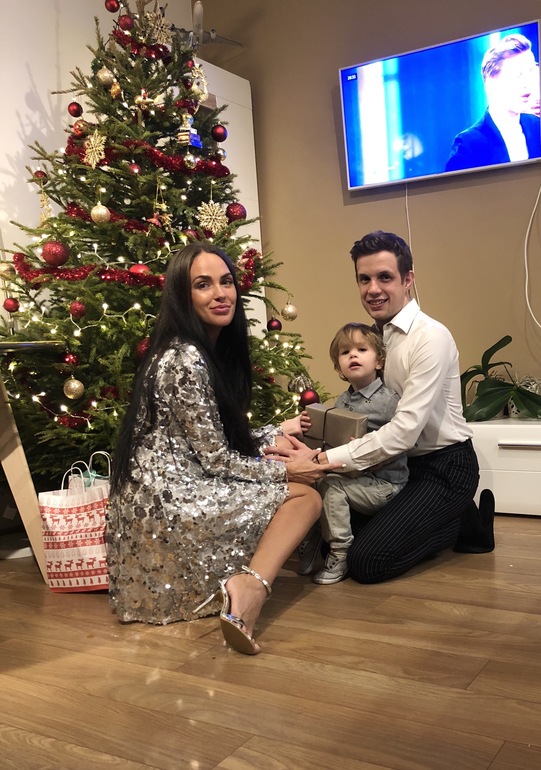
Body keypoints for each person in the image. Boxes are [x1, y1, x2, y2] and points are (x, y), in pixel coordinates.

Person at [107, 242, 338, 655]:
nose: (220, 294)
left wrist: (278, 431)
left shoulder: (194, 351)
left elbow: (209, 442)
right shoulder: (185, 359)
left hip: (169, 490)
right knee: (305, 498)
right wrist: (289, 470)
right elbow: (215, 460)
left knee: (279, 449)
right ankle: (249, 589)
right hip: (169, 503)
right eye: (203, 284)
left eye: (226, 282)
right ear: (182, 295)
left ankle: (249, 577)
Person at [294, 230, 495, 584]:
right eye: (364, 279)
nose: (373, 289)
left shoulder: (430, 337)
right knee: (333, 530)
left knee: (367, 562)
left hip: (443, 466)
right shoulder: (373, 340)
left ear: (408, 280)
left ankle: (459, 520)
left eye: (385, 277)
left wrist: (325, 460)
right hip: (393, 467)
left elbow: (404, 432)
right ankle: (448, 517)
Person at [302, 322, 408, 585]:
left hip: (385, 485)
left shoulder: (389, 401)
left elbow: (407, 441)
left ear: (379, 361)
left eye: (362, 349)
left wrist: (372, 454)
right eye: (345, 352)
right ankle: (312, 536)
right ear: (339, 368)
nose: (353, 355)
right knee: (314, 480)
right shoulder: (342, 402)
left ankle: (340, 553)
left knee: (332, 486)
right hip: (353, 478)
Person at [445, 34, 541, 172]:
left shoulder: (537, 126)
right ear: (491, 84)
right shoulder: (469, 144)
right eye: (518, 75)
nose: (527, 83)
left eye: (530, 73)